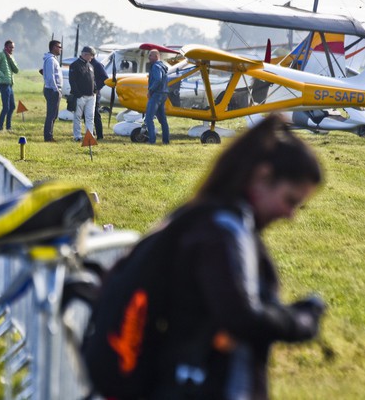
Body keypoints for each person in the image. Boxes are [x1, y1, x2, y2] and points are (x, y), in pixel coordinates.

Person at [146, 114, 324, 399]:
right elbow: (240, 316)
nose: (290, 216)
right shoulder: (221, 231)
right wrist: (300, 322)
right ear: (263, 176)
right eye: (290, 200)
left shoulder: (212, 218)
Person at [69, 46, 96, 142]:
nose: (92, 57)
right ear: (85, 54)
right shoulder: (74, 65)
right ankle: (77, 136)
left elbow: (93, 79)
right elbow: (72, 81)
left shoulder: (90, 65)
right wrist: (78, 94)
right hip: (80, 96)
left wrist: (95, 90)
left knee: (90, 117)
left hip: (91, 96)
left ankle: (90, 135)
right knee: (78, 116)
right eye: (91, 55)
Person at [145, 49, 170, 145]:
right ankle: (165, 140)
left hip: (156, 94)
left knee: (148, 118)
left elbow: (158, 79)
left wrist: (150, 90)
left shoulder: (156, 66)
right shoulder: (163, 66)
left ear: (156, 57)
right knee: (162, 119)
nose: (149, 57)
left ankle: (152, 140)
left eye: (150, 55)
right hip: (163, 94)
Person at [0, 39, 19, 132]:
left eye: (13, 48)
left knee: (12, 106)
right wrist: (1, 75)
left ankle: (8, 127)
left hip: (10, 84)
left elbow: (16, 70)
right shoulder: (0, 55)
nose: (12, 49)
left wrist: (9, 58)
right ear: (5, 47)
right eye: (10, 47)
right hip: (3, 84)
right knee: (6, 107)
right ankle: (1, 128)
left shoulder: (11, 57)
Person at [42, 40, 63, 142]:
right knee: (51, 115)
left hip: (53, 89)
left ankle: (50, 135)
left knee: (54, 114)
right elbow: (51, 76)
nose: (60, 49)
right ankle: (48, 137)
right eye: (59, 47)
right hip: (52, 90)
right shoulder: (51, 60)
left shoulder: (53, 59)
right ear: (54, 47)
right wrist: (56, 89)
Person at [90, 52, 109, 140]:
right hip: (88, 92)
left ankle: (100, 135)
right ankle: (91, 133)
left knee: (95, 114)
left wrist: (97, 88)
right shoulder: (88, 64)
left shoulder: (97, 65)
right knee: (87, 114)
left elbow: (105, 77)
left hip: (95, 93)